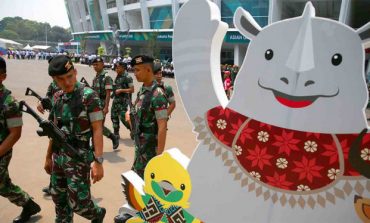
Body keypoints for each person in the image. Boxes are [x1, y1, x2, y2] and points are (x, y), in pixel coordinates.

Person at [45, 55, 106, 223]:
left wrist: (98, 161)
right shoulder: (57, 97)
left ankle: (97, 214)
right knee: (58, 198)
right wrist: (48, 157)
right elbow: (54, 129)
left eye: (70, 76)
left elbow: (97, 129)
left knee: (79, 203)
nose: (67, 82)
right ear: (54, 80)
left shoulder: (89, 96)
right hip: (59, 156)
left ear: (75, 72)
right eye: (61, 79)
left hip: (78, 156)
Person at [114, 55, 169, 223]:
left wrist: (159, 155)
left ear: (148, 70)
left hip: (150, 150)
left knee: (144, 181)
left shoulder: (157, 93)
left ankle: (146, 215)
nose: (134, 73)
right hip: (141, 147)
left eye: (137, 70)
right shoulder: (143, 90)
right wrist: (131, 118)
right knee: (138, 180)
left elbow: (162, 126)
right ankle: (137, 211)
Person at [0, 57, 41, 223]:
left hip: (2, 148)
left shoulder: (9, 103)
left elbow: (15, 133)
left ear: (3, 76)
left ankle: (27, 203)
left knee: (2, 185)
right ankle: (28, 204)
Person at [37, 79, 61, 196]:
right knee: (55, 154)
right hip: (55, 120)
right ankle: (53, 185)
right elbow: (46, 97)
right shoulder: (52, 84)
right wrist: (40, 102)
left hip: (66, 126)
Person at [91, 57, 119, 150]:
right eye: (94, 65)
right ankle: (112, 136)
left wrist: (106, 107)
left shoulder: (106, 77)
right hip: (94, 103)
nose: (95, 66)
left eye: (97, 64)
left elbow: (108, 93)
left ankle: (111, 137)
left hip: (102, 103)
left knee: (98, 125)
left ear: (102, 64)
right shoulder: (96, 77)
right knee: (94, 124)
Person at [111, 61, 134, 139]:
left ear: (123, 68)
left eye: (118, 67)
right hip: (115, 100)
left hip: (123, 101)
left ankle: (133, 129)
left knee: (123, 117)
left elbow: (132, 89)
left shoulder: (127, 77)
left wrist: (121, 90)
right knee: (113, 116)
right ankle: (116, 133)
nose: (116, 69)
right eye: (116, 67)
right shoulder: (118, 76)